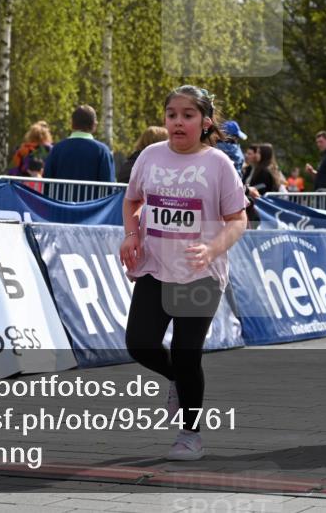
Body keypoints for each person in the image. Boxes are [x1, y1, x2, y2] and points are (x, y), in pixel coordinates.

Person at [120, 85, 248, 461]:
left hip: (200, 272)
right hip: (156, 267)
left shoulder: (218, 164)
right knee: (140, 344)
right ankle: (177, 379)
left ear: (205, 123)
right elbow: (131, 200)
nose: (178, 122)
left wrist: (211, 248)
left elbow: (238, 220)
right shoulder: (150, 155)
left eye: (187, 115)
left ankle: (190, 435)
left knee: (186, 351)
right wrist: (131, 235)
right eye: (171, 114)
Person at [43, 105, 114, 182]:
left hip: (60, 194)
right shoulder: (103, 151)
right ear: (94, 125)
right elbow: (109, 185)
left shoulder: (56, 149)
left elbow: (47, 181)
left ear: (72, 124)